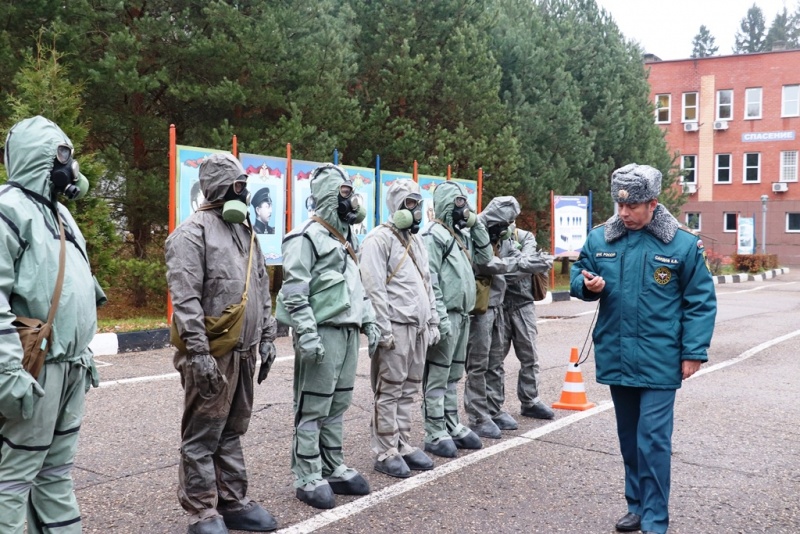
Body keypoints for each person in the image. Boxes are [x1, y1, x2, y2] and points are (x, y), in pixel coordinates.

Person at [569, 163, 716, 534]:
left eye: (632, 206)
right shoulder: (601, 239)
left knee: (652, 440)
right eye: (619, 206)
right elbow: (578, 275)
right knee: (629, 438)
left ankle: (654, 520)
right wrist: (589, 286)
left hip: (660, 358)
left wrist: (693, 351)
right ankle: (635, 506)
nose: (623, 213)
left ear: (652, 203)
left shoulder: (681, 244)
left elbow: (700, 300)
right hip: (617, 353)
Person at [0, 116, 106, 533]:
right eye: (63, 156)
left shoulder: (59, 215)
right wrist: (9, 374)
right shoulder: (9, 209)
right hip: (35, 369)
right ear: (40, 156)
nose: (71, 166)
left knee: (56, 472)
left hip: (70, 366)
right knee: (13, 476)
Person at [166, 153, 278, 534]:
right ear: (218, 187)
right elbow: (185, 300)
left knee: (232, 429)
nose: (243, 193)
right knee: (202, 433)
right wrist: (197, 353)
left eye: (244, 185)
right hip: (212, 354)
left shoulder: (246, 232)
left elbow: (261, 286)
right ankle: (201, 511)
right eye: (237, 185)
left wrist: (267, 335)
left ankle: (232, 501)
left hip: (245, 353)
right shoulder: (190, 234)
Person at [278, 163, 380, 509]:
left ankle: (332, 465)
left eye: (350, 193)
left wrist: (371, 322)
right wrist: (306, 333)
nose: (350, 201)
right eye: (344, 193)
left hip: (348, 334)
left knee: (338, 404)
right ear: (326, 196)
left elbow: (358, 289)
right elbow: (294, 292)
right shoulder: (304, 237)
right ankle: (307, 474)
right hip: (322, 333)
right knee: (313, 406)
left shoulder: (346, 239)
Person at [360, 180, 438, 478]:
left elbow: (427, 282)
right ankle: (384, 450)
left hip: (417, 328)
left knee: (410, 388)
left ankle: (402, 443)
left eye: (418, 203)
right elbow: (374, 288)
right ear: (396, 205)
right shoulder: (378, 240)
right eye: (409, 203)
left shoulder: (416, 241)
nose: (416, 210)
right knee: (390, 389)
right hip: (395, 326)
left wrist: (431, 319)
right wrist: (383, 329)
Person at [420, 181, 493, 458]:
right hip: (447, 313)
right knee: (437, 375)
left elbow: (486, 258)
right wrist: (439, 316)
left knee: (453, 375)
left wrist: (476, 225)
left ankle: (452, 423)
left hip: (463, 314)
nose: (464, 209)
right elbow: (431, 280)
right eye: (459, 203)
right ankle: (435, 430)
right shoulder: (434, 235)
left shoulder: (460, 235)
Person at [464, 196, 543, 438]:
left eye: (511, 221)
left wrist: (514, 263)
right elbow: (485, 264)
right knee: (478, 363)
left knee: (495, 361)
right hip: (480, 308)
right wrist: (519, 264)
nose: (509, 226)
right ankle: (478, 415)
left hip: (498, 305)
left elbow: (512, 263)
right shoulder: (472, 234)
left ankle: (493, 408)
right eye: (505, 220)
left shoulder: (504, 236)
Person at [498, 225, 555, 423]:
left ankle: (530, 401)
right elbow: (521, 265)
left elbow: (524, 263)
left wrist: (505, 269)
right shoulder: (489, 234)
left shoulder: (525, 236)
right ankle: (494, 407)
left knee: (530, 355)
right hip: (499, 305)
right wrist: (522, 266)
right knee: (494, 359)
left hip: (523, 303)